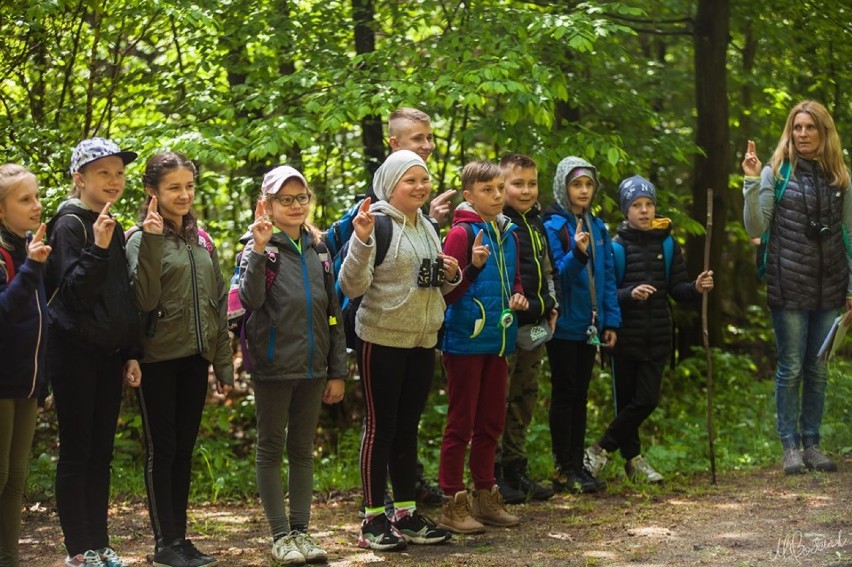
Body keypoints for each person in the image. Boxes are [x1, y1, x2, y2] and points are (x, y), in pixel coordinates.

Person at [327, 108, 452, 509]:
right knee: (382, 428)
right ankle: (373, 514)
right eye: (409, 180)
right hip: (380, 337)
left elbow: (431, 287)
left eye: (423, 179)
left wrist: (452, 273)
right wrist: (362, 242)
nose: (420, 186)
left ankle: (406, 512)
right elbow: (352, 284)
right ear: (389, 184)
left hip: (422, 340)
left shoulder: (428, 226)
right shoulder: (375, 223)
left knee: (408, 429)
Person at [126, 152, 233, 567]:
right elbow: (144, 299)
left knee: (184, 450)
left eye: (189, 186)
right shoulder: (138, 238)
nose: (184, 194)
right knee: (163, 449)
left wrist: (222, 364)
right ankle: (164, 543)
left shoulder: (201, 240)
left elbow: (218, 303)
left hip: (195, 358)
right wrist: (152, 241)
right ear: (152, 191)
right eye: (174, 187)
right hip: (156, 360)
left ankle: (181, 538)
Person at [238, 166, 346, 564]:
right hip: (273, 365)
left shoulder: (320, 250)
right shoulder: (256, 248)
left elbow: (333, 312)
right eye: (287, 199)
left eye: (302, 198)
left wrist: (338, 370)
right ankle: (280, 535)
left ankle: (302, 532)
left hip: (315, 367)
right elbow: (248, 301)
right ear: (266, 205)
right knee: (270, 449)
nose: (297, 205)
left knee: (302, 450)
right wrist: (257, 250)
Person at [46, 138, 143, 567]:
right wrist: (99, 248)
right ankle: (78, 549)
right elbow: (70, 295)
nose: (114, 180)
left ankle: (100, 543)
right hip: (75, 353)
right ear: (79, 178)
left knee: (101, 452)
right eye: (103, 172)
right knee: (77, 451)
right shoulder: (69, 224)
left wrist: (131, 352)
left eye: (119, 173)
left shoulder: (110, 222)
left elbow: (123, 295)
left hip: (108, 353)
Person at [742, 100, 851, 475]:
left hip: (830, 287)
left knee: (818, 369)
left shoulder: (839, 178)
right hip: (788, 284)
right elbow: (755, 228)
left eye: (810, 128)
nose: (802, 134)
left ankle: (813, 444)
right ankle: (790, 448)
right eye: (797, 127)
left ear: (824, 133)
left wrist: (851, 287)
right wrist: (752, 182)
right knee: (790, 368)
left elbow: (849, 235)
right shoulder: (777, 173)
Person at [584, 175, 714, 484]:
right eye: (637, 205)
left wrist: (695, 287)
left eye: (649, 204)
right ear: (626, 210)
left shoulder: (668, 245)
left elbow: (678, 289)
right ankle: (633, 462)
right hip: (623, 336)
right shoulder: (614, 247)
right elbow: (604, 293)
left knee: (646, 400)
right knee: (627, 402)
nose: (644, 211)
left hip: (658, 337)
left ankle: (600, 448)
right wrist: (630, 294)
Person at [437, 160, 528, 534]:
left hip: (499, 341)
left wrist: (520, 296)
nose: (496, 196)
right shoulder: (460, 235)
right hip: (465, 341)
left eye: (499, 189)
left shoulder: (509, 233)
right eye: (487, 190)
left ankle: (485, 494)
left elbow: (517, 279)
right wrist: (472, 266)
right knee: (461, 423)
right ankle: (452, 500)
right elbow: (448, 293)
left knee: (492, 421)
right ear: (469, 195)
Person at [542, 156, 620, 495]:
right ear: (563, 186)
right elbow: (558, 274)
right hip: (564, 326)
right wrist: (577, 251)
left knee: (581, 395)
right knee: (565, 393)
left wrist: (610, 320)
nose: (584, 191)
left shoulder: (598, 226)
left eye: (588, 184)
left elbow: (606, 279)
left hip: (591, 325)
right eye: (577, 184)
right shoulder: (553, 225)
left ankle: (578, 466)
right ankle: (564, 467)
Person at [494, 153, 557, 503]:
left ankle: (516, 468)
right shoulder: (496, 223)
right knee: (498, 399)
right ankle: (493, 474)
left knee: (524, 398)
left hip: (536, 323)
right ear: (501, 186)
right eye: (517, 184)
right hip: (504, 329)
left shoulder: (536, 222)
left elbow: (548, 270)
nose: (526, 190)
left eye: (532, 183)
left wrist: (553, 305)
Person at [0, 164, 51, 567]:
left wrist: (43, 379)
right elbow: (4, 311)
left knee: (16, 478)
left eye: (36, 197)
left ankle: (10, 556)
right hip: (2, 383)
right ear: (1, 211)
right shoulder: (6, 254)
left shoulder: (28, 245)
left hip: (28, 383)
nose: (36, 206)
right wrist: (32, 266)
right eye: (25, 200)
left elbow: (39, 320)